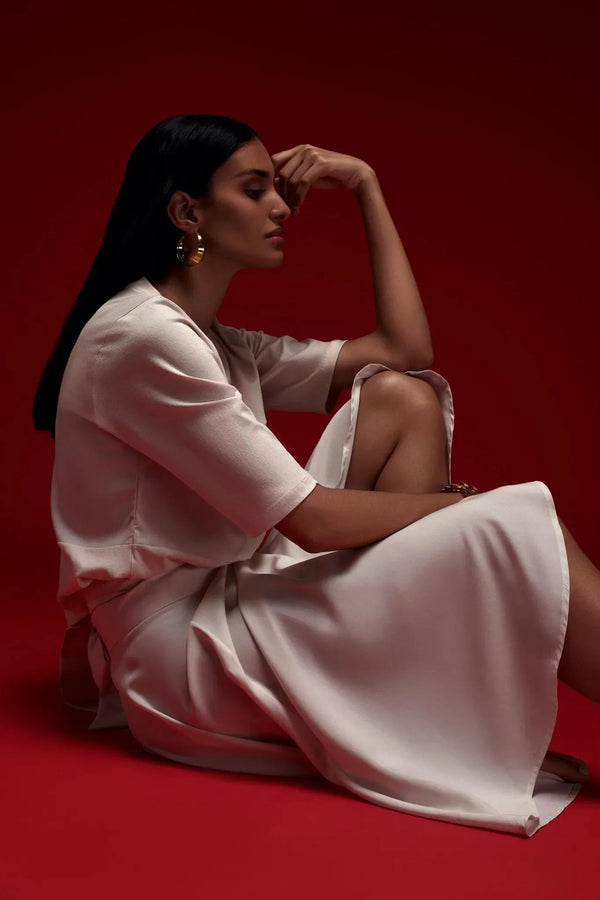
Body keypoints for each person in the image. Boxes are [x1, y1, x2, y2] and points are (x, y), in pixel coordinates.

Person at [33, 113, 599, 837]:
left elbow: (403, 349)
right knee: (520, 523)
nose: (281, 207)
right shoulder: (143, 338)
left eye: (278, 189)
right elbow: (314, 522)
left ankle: (413, 667)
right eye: (254, 190)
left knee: (403, 398)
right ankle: (417, 671)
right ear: (187, 213)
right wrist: (466, 506)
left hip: (229, 593)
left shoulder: (211, 340)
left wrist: (367, 186)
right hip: (182, 651)